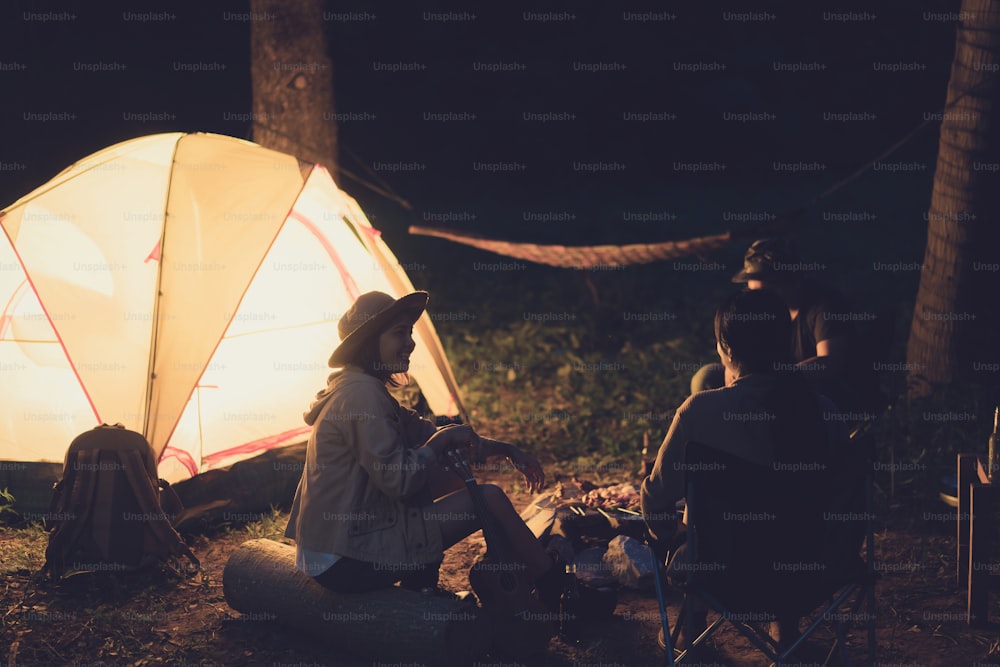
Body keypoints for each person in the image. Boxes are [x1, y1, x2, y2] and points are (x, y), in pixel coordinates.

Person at [283, 290, 566, 610]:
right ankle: (557, 587)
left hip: (335, 548)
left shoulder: (361, 387)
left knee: (450, 474)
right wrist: (438, 445)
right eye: (399, 333)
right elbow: (399, 480)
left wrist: (506, 449)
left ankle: (423, 584)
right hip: (346, 561)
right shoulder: (362, 395)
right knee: (489, 498)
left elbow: (434, 436)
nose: (411, 342)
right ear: (369, 341)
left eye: (410, 332)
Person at [642, 288, 852, 649]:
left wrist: (675, 535)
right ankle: (784, 623)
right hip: (809, 574)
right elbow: (842, 502)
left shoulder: (699, 412)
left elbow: (656, 499)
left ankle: (693, 620)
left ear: (726, 348)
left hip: (721, 576)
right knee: (783, 511)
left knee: (700, 510)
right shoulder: (824, 411)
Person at [692, 237, 885, 419]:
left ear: (788, 281)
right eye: (751, 292)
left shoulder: (824, 306)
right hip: (764, 387)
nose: (754, 300)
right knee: (707, 378)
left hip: (813, 394)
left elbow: (830, 363)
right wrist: (733, 375)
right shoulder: (757, 312)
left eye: (761, 292)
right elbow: (737, 352)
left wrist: (771, 379)